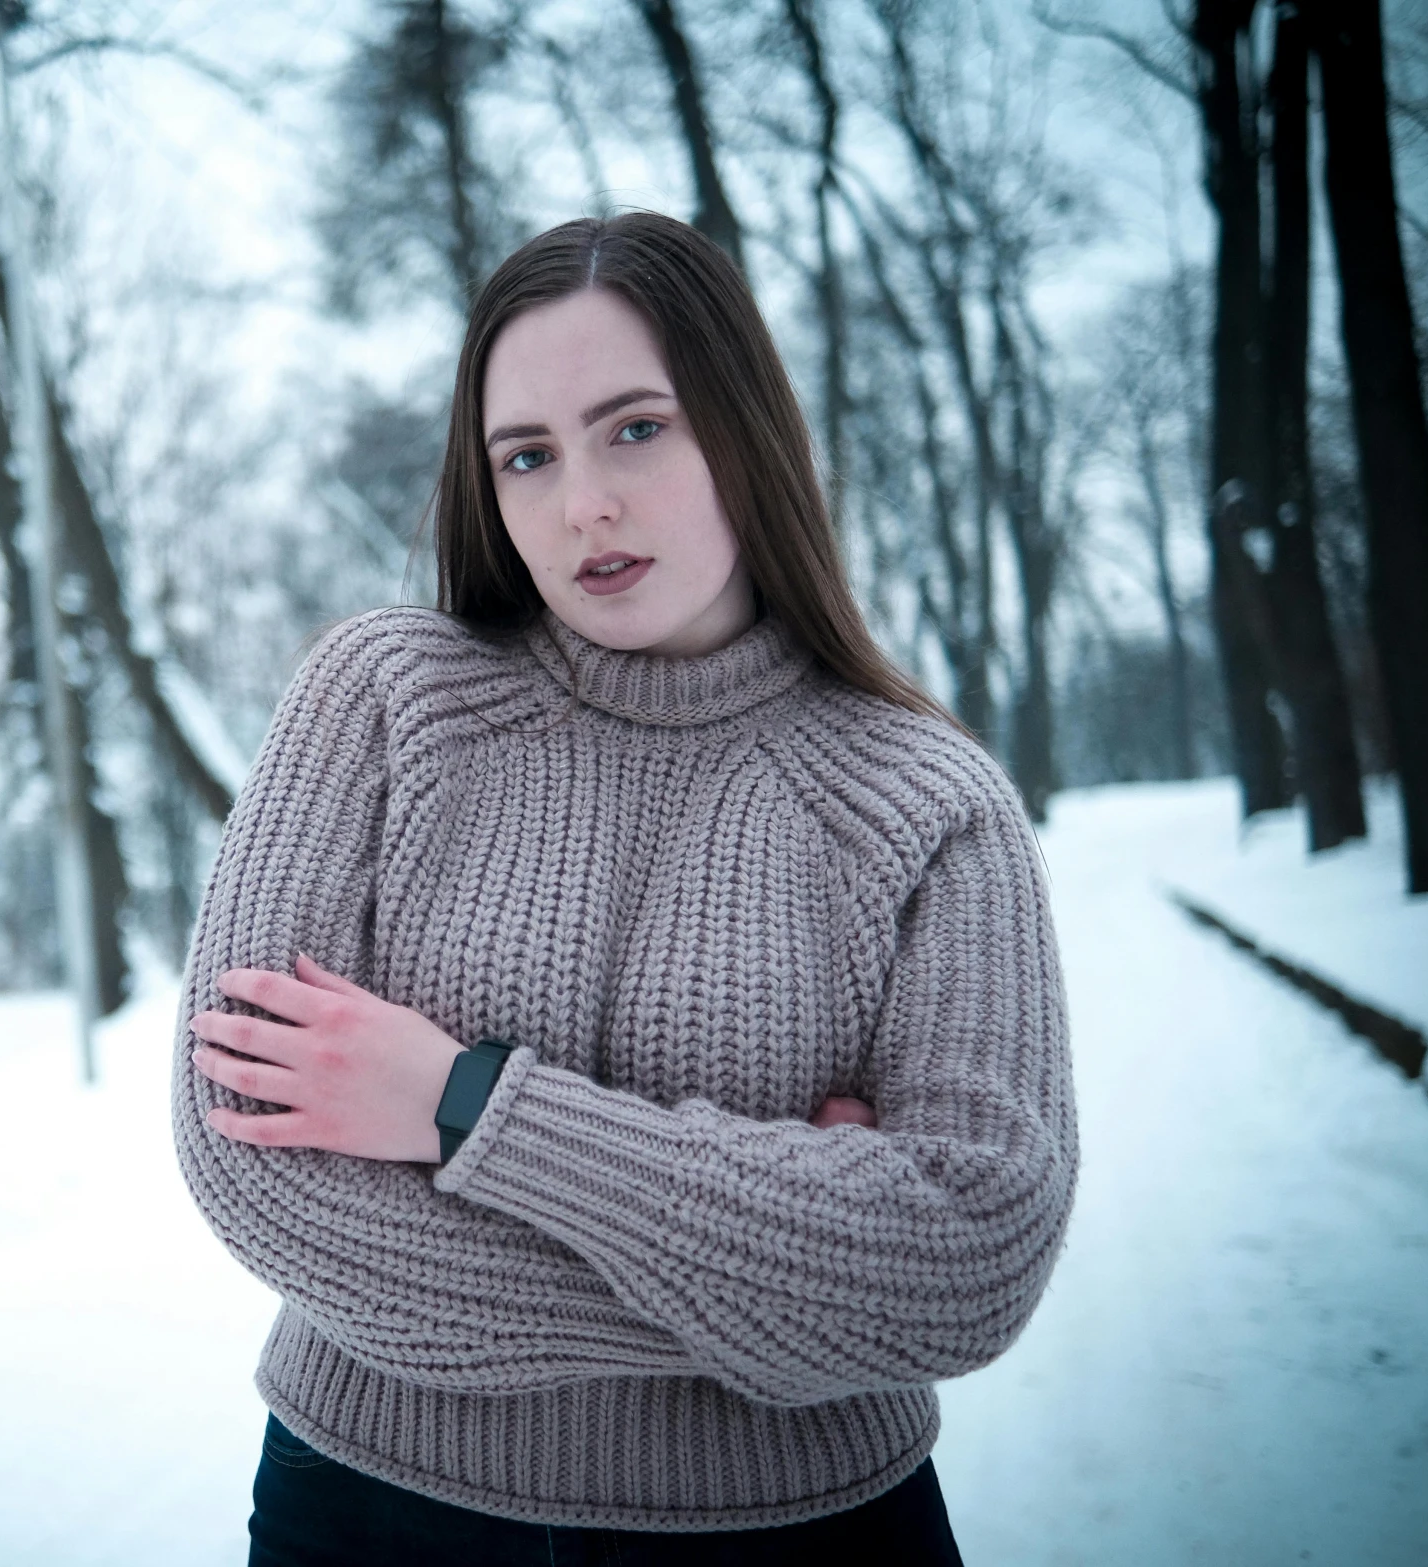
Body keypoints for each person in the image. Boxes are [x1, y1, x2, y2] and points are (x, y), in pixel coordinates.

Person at [172, 211, 1076, 1564]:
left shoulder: (924, 800)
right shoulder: (380, 699)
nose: (580, 499)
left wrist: (459, 1100)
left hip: (803, 1535)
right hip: (370, 1513)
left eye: (634, 427)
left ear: (740, 431)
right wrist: (786, 1284)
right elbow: (255, 1158)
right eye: (523, 455)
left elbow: (968, 1255)